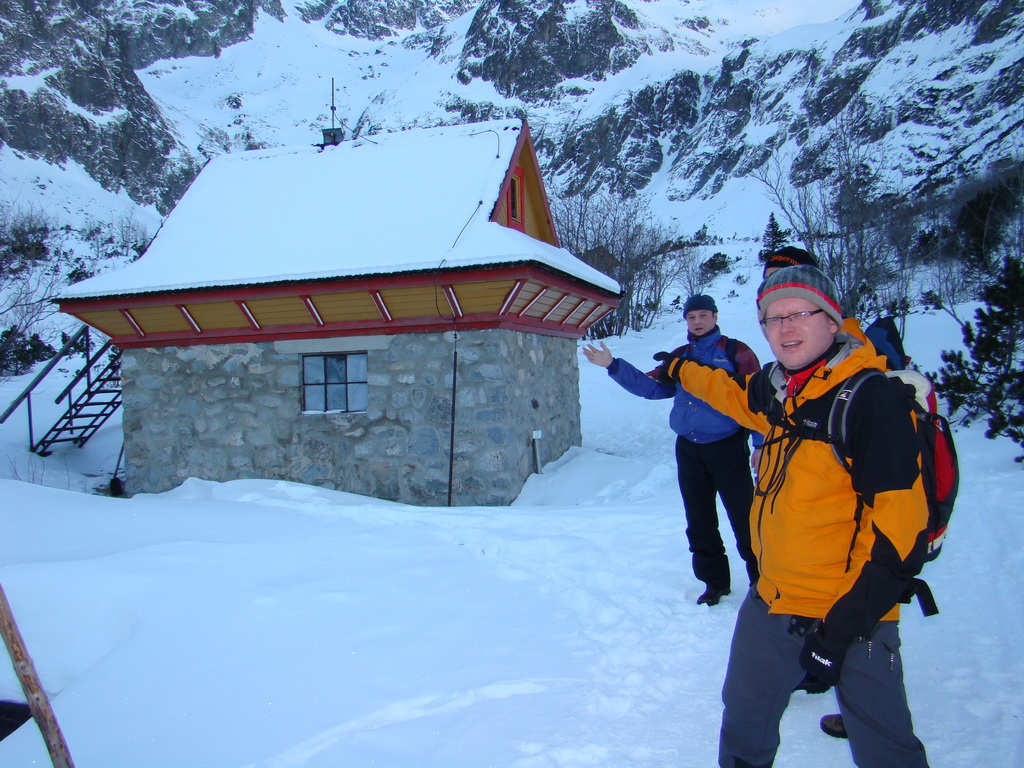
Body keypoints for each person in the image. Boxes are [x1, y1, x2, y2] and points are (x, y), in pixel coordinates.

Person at [654, 265, 930, 768]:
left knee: (885, 745)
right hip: (773, 599)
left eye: (801, 312)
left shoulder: (872, 402)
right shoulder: (780, 390)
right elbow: (733, 397)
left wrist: (843, 628)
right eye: (772, 318)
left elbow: (900, 537)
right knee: (743, 718)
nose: (785, 328)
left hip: (855, 613)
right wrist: (680, 370)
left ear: (832, 321)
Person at [582, 294, 762, 606]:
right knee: (700, 520)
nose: (698, 322)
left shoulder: (735, 352)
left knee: (745, 518)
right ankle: (714, 583)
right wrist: (613, 365)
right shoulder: (679, 357)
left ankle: (764, 582)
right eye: (692, 317)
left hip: (728, 447)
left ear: (715, 317)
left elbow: (757, 399)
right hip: (689, 449)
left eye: (704, 315)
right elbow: (651, 388)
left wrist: (760, 444)